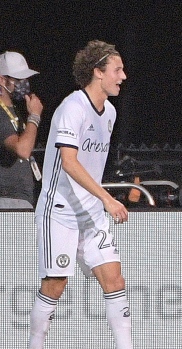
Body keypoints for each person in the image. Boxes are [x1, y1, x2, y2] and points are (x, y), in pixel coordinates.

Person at [29, 40, 131, 349]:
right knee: (56, 284)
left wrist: (99, 203)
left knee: (114, 279)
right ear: (98, 72)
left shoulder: (109, 112)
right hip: (59, 212)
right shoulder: (72, 108)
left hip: (91, 216)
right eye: (117, 69)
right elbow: (69, 163)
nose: (123, 76)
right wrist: (107, 198)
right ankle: (35, 344)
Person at [0, 51, 44, 208]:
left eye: (25, 79)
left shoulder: (16, 110)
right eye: (18, 79)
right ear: (2, 80)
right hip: (6, 199)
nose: (24, 83)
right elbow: (22, 150)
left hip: (20, 198)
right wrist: (34, 117)